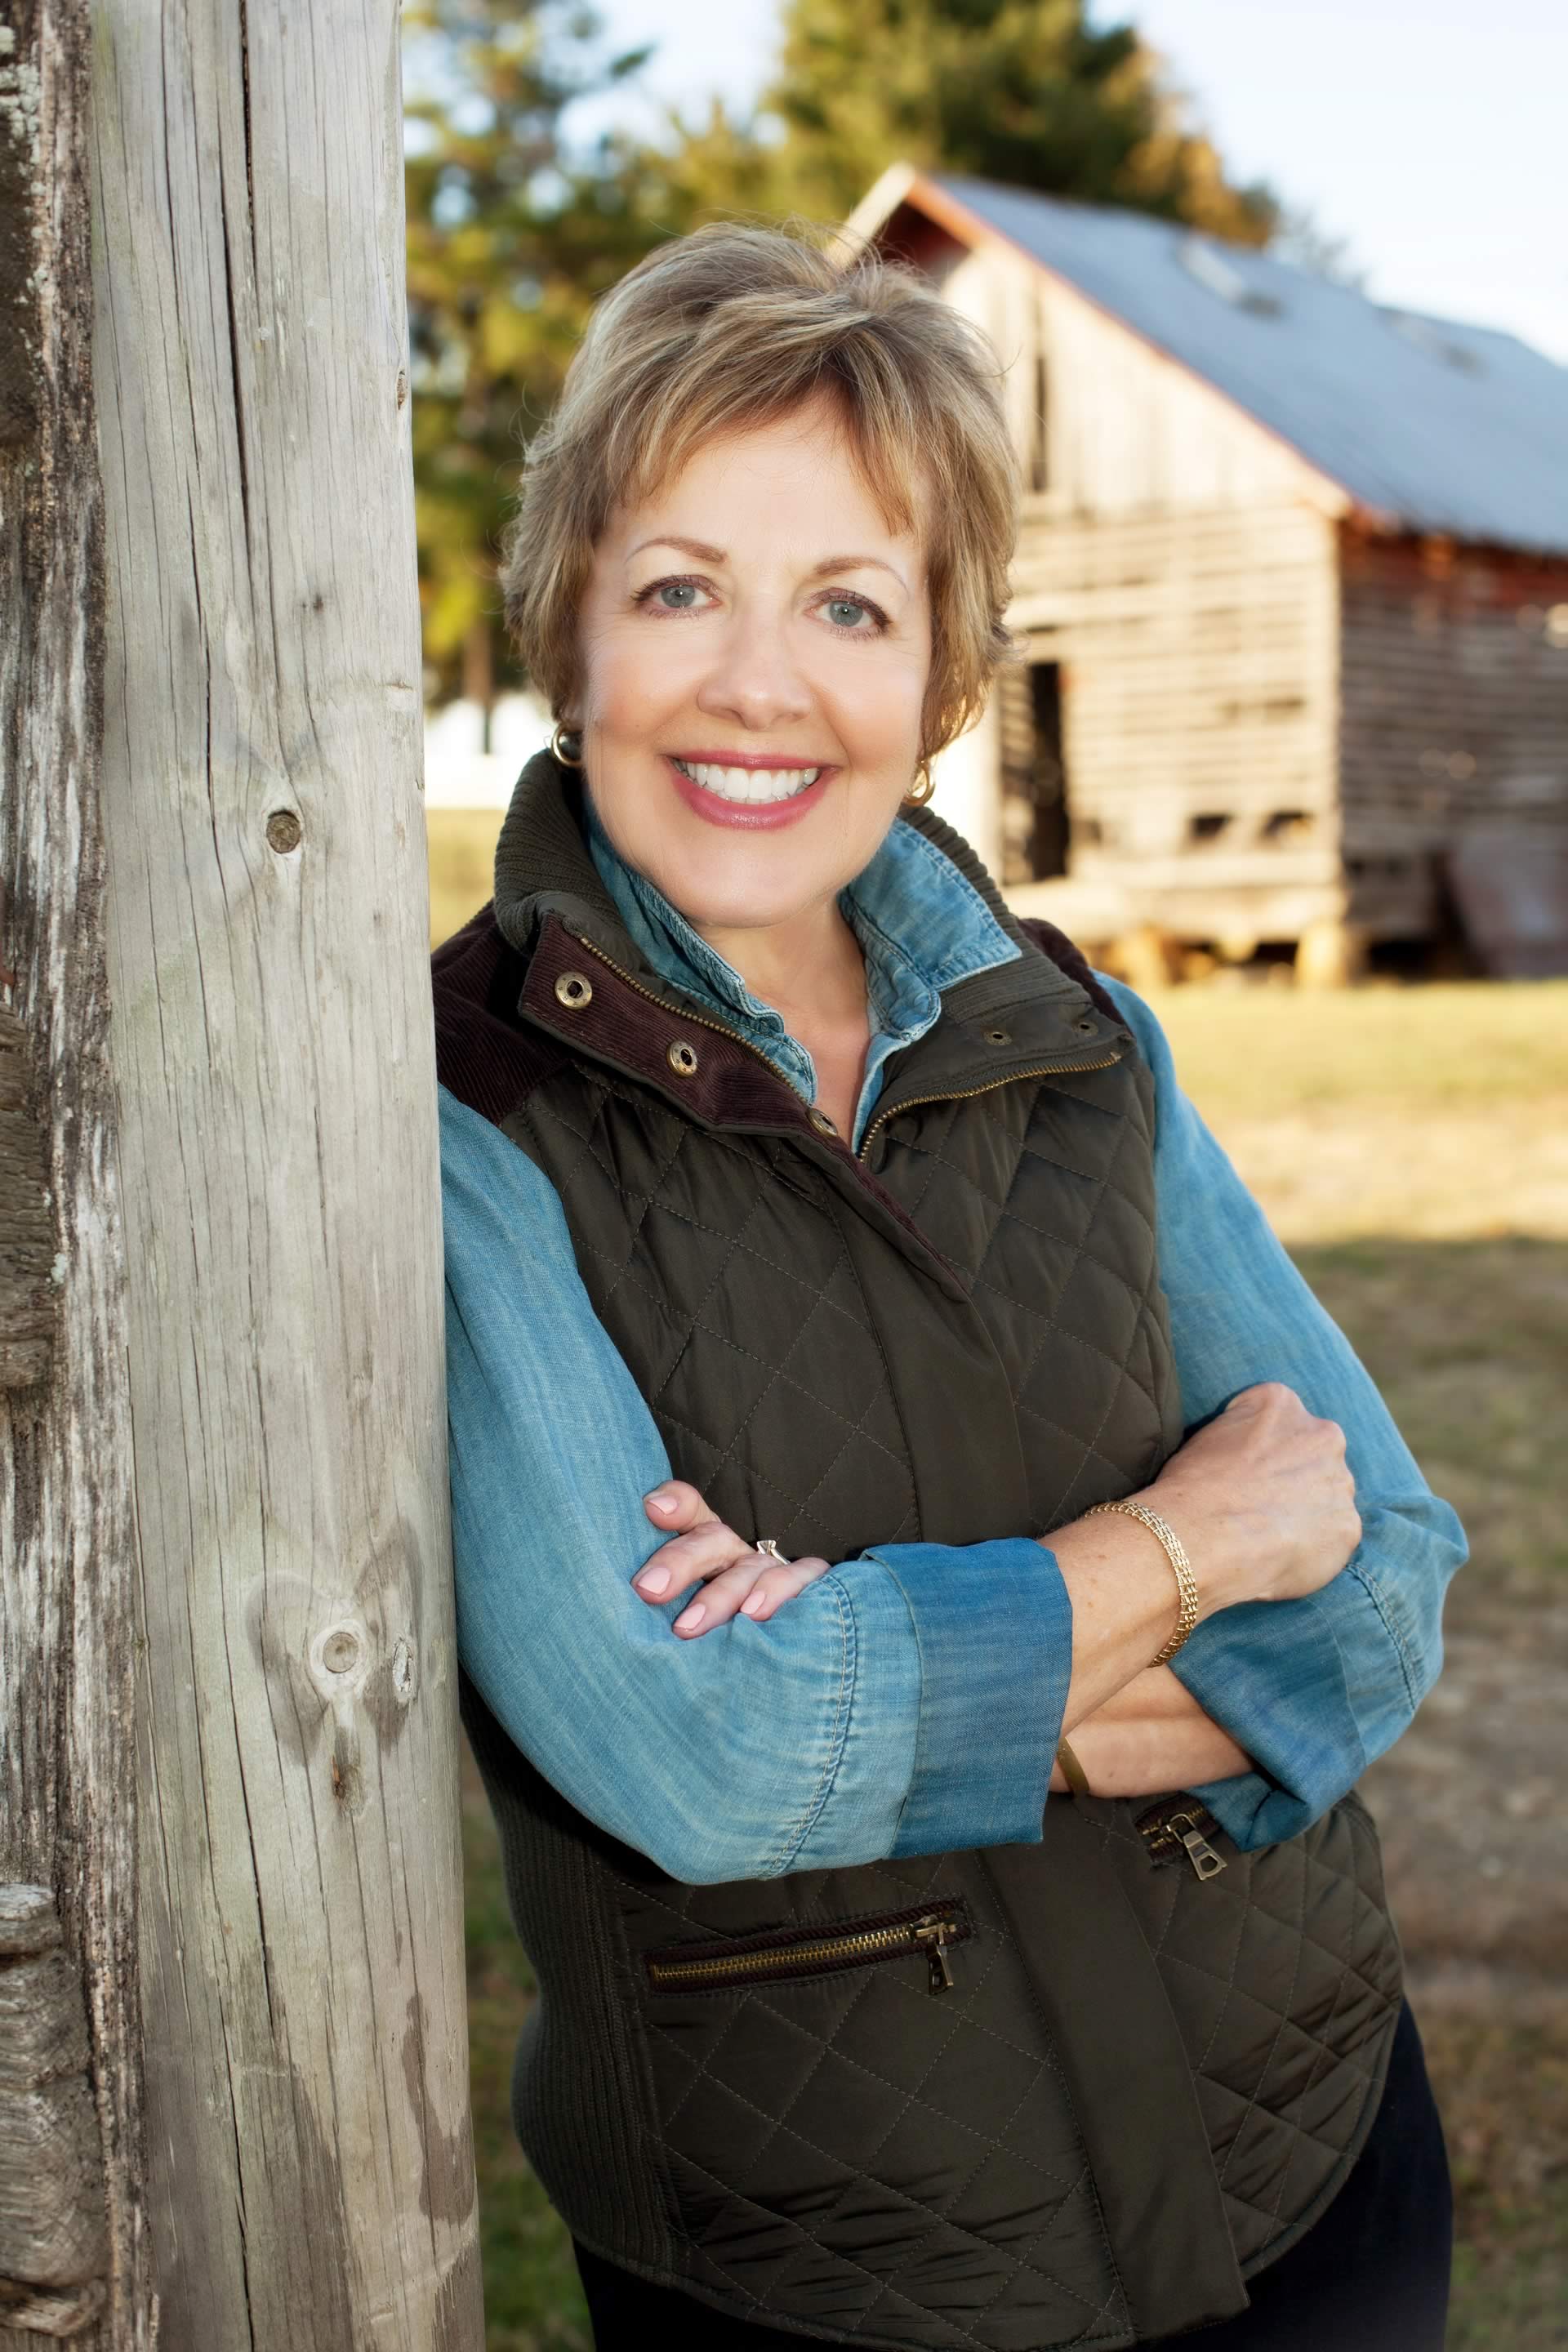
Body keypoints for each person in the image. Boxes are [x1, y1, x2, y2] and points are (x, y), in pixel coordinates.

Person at [433, 222, 1463, 2351]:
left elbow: (1385, 1585)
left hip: (1312, 2166)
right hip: (830, 2273)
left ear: (938, 673)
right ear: (571, 628)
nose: (757, 681)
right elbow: (700, 1762)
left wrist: (900, 1686)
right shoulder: (472, 1104)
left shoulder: (1076, 1030)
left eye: (849, 604)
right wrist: (1184, 1547)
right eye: (679, 588)